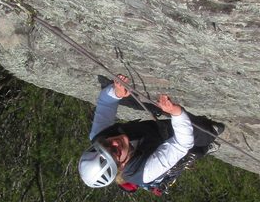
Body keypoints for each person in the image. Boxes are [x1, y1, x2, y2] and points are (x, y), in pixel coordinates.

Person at [78, 75, 224, 191]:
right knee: (206, 136)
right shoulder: (145, 171)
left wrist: (115, 92)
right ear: (121, 166)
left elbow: (105, 103)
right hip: (162, 149)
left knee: (205, 129)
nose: (114, 142)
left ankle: (204, 141)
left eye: (106, 143)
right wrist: (176, 113)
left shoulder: (99, 136)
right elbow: (181, 144)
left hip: (156, 131)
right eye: (115, 151)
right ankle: (202, 149)